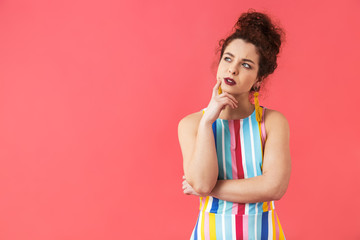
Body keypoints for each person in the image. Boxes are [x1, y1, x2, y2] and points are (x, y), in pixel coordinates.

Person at [177, 9, 291, 240]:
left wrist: (210, 189)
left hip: (263, 233)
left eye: (246, 65)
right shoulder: (192, 124)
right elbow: (201, 181)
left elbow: (274, 187)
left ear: (259, 79)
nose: (233, 69)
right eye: (228, 58)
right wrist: (208, 120)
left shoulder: (272, 122)